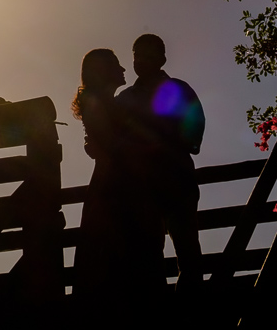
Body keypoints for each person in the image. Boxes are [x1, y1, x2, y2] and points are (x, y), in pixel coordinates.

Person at [71, 48, 166, 308]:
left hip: (117, 185)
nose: (123, 69)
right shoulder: (99, 104)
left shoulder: (110, 104)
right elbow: (114, 145)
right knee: (120, 253)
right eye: (115, 65)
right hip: (116, 190)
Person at [116, 34, 205, 291]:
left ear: (162, 59)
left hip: (177, 180)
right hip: (141, 186)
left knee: (187, 249)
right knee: (147, 252)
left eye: (147, 55)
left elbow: (195, 128)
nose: (141, 61)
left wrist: (166, 145)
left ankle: (189, 309)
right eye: (137, 56)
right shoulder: (125, 98)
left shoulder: (178, 89)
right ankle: (157, 313)